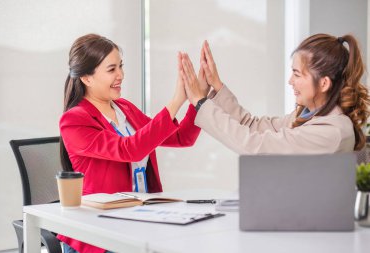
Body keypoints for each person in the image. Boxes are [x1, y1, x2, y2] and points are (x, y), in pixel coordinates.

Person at [59, 34, 201, 253]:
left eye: (121, 67)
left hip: (136, 223)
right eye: (111, 69)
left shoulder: (124, 108)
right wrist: (175, 101)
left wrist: (198, 102)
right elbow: (130, 150)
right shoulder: (74, 120)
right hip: (99, 234)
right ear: (87, 78)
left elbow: (183, 138)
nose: (121, 75)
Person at [179, 34, 370, 154]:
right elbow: (253, 126)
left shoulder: (330, 132)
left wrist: (200, 101)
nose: (290, 81)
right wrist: (217, 86)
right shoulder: (307, 116)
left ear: (324, 83)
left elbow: (254, 145)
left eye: (297, 74)